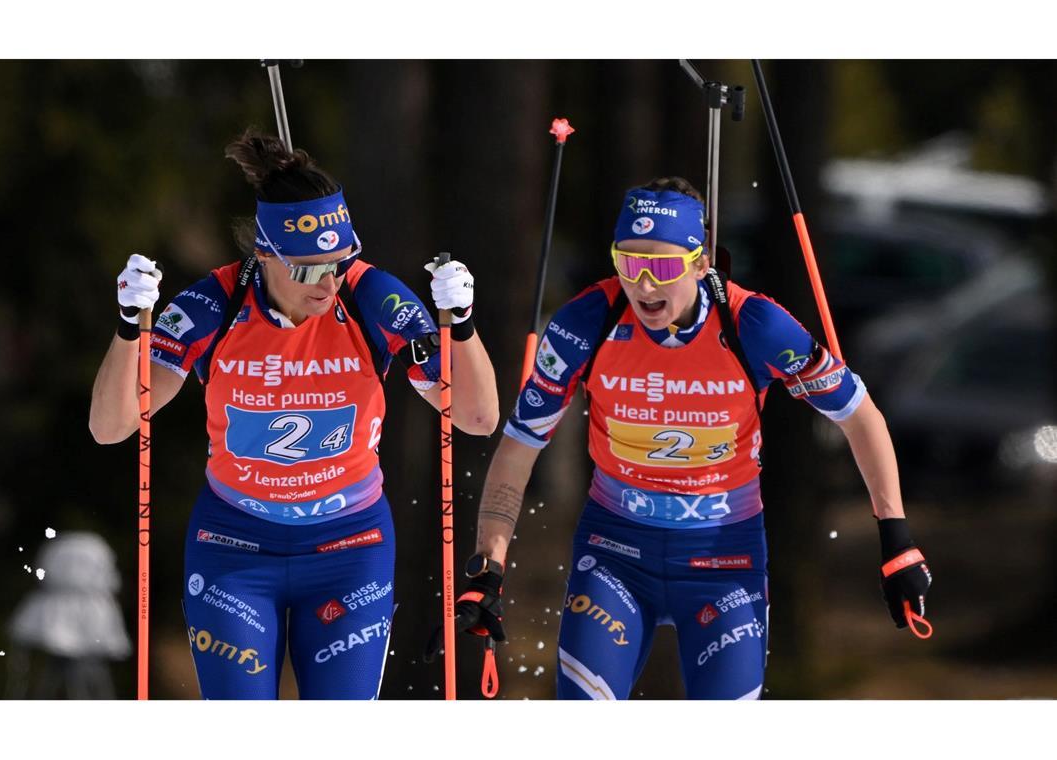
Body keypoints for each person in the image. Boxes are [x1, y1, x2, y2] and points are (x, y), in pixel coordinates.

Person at [449, 177, 932, 700]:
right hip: (616, 550)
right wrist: (488, 566)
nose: (644, 286)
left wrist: (896, 539)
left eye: (661, 267)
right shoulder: (586, 323)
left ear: (702, 265)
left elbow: (860, 417)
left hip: (723, 560)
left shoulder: (755, 324)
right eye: (628, 263)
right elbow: (520, 445)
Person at [89, 130, 499, 699]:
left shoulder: (368, 297)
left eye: (339, 262)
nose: (327, 282)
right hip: (234, 546)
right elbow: (111, 428)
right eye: (307, 269)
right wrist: (129, 328)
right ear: (264, 254)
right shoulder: (217, 304)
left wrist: (464, 323)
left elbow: (477, 417)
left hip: (349, 547)